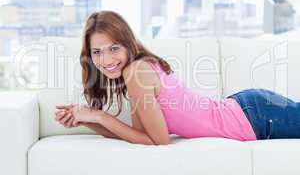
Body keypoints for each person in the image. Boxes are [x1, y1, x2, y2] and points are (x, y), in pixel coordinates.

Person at [54, 10, 300, 145]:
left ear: (128, 44)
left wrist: (97, 114)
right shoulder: (134, 73)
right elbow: (140, 136)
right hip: (248, 110)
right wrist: (89, 121)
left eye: (114, 48)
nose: (106, 60)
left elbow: (158, 141)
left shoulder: (136, 71)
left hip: (254, 117)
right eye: (97, 52)